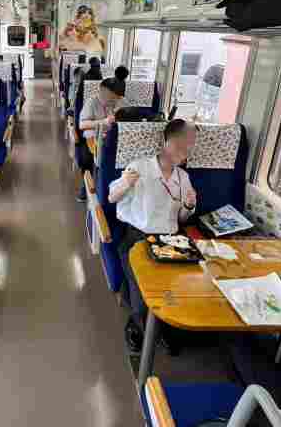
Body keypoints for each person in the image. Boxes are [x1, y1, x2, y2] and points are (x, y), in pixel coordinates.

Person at [108, 119, 198, 353]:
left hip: (169, 241)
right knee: (144, 289)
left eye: (188, 147)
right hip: (136, 239)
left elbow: (182, 219)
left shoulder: (183, 178)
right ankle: (137, 329)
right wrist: (125, 184)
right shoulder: (140, 166)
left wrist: (189, 206)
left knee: (179, 286)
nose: (184, 152)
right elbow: (111, 197)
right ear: (166, 142)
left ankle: (165, 328)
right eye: (181, 146)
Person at [76, 77, 128, 202]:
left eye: (115, 98)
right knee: (88, 158)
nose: (113, 101)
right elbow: (82, 125)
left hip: (115, 137)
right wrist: (102, 122)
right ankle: (86, 187)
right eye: (110, 97)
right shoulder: (92, 102)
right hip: (93, 138)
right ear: (102, 91)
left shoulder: (120, 101)